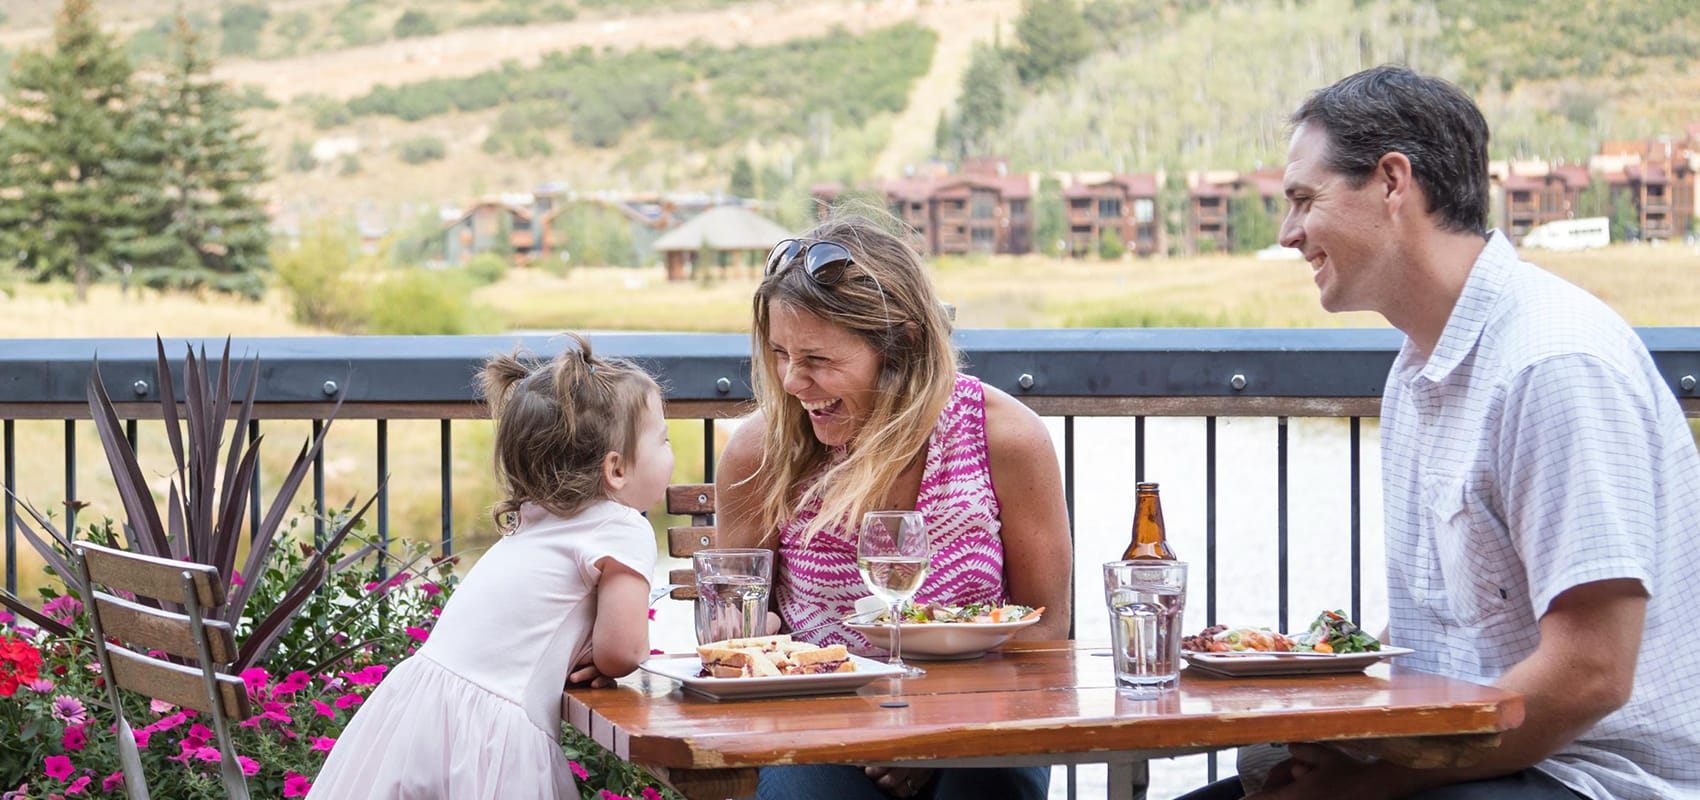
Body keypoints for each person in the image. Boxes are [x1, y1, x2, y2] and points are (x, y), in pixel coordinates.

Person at [1184, 65, 1700, 800]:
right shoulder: (1421, 368)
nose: (1289, 232)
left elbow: (1591, 672)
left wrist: (1374, 782)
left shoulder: (1550, 364)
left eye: (1304, 199)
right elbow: (1444, 646)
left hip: (1588, 777)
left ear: (1393, 182)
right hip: (1467, 761)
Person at [716, 214, 1074, 800]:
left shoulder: (1004, 437)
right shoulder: (762, 450)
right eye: (780, 353)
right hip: (823, 724)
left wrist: (934, 734)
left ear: (901, 344)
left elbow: (1046, 629)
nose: (790, 382)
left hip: (979, 719)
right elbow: (743, 632)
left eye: (818, 360)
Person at [309, 333, 669, 799]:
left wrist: (590, 648)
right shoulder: (622, 527)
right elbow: (624, 653)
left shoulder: (537, 518)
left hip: (427, 717)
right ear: (616, 469)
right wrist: (606, 654)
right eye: (662, 439)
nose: (668, 452)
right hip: (490, 738)